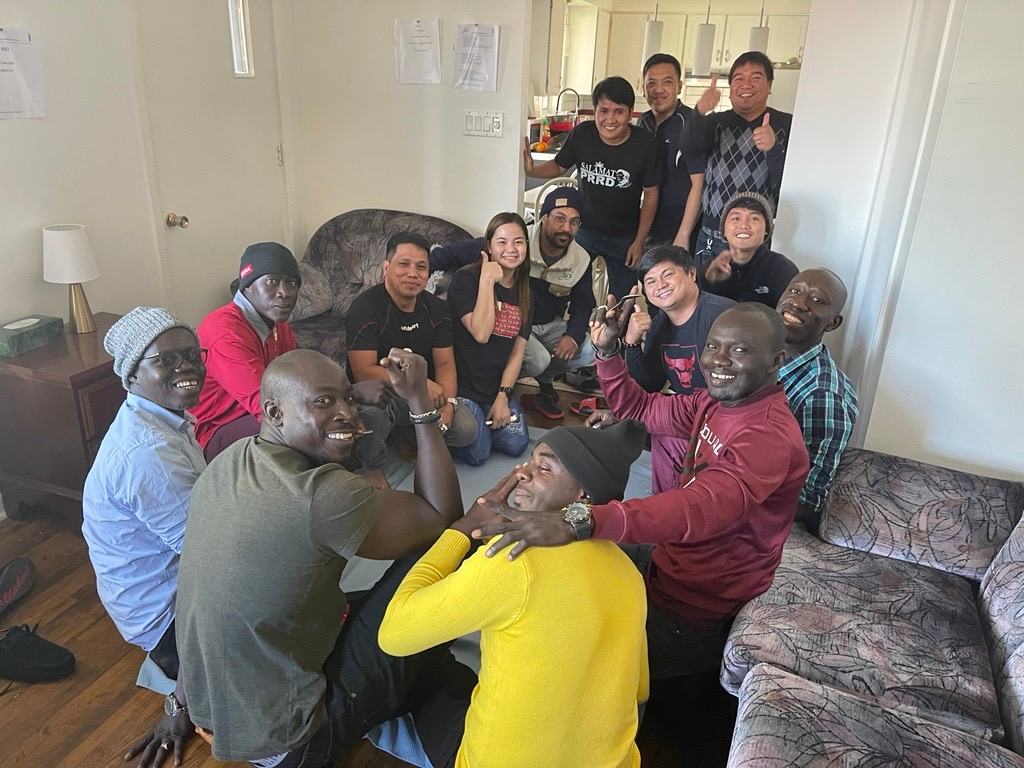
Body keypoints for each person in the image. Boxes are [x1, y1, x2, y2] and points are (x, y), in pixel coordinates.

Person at [127, 348, 476, 768]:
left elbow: (199, 595)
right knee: (453, 551)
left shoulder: (228, 461)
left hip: (214, 716)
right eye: (324, 402)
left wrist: (180, 705)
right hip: (297, 740)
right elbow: (441, 520)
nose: (347, 412)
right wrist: (419, 399)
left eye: (348, 397)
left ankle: (440, 695)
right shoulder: (320, 496)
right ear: (274, 412)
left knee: (394, 619)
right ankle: (473, 741)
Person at [472, 302, 809, 680]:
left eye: (740, 350)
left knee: (582, 667)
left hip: (697, 606)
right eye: (713, 346)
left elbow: (700, 508)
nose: (719, 361)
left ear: (776, 359)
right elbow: (640, 408)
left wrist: (579, 521)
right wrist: (609, 351)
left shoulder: (767, 435)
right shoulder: (716, 401)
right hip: (668, 561)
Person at [379, 418, 649, 768]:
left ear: (585, 495)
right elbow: (639, 690)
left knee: (419, 673)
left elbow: (394, 635)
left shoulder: (514, 558)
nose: (522, 473)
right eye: (529, 462)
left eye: (544, 467)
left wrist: (461, 531)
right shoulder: (630, 572)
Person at [192, 242, 391, 486]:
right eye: (271, 281)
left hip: (274, 412)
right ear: (247, 285)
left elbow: (303, 384)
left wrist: (345, 401)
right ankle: (319, 490)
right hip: (221, 431)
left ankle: (359, 476)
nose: (284, 292)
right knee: (306, 428)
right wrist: (349, 395)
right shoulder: (223, 331)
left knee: (360, 414)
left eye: (292, 283)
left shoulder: (279, 326)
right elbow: (263, 407)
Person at [83, 307, 207, 681]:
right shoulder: (148, 454)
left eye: (191, 354)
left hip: (167, 592)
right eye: (166, 359)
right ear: (133, 373)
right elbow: (208, 552)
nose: (185, 366)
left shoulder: (160, 419)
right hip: (169, 622)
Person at [430, 187, 596, 420]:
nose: (566, 228)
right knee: (538, 359)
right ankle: (509, 381)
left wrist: (574, 335)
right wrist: (414, 277)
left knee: (590, 348)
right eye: (559, 219)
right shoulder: (514, 239)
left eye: (574, 222)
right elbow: (448, 255)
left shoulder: (581, 259)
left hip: (545, 323)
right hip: (508, 322)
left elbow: (583, 305)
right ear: (544, 217)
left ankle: (541, 380)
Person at [524, 77, 662, 303]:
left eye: (618, 112)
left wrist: (639, 241)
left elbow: (651, 195)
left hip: (625, 236)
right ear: (595, 111)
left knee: (623, 300)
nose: (610, 119)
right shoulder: (583, 134)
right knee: (573, 292)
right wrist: (532, 171)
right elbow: (559, 165)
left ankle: (617, 338)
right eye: (604, 110)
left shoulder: (644, 144)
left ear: (630, 113)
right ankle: (576, 334)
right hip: (584, 232)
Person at [346, 231, 478, 447]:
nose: (413, 273)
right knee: (372, 417)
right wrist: (421, 385)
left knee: (466, 430)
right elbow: (363, 372)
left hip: (423, 394)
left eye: (421, 267)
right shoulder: (364, 308)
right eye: (404, 264)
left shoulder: (438, 309)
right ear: (386, 267)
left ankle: (407, 432)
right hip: (384, 393)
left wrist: (449, 404)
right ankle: (376, 466)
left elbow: (445, 363)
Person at [624, 245, 734, 492]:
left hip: (726, 417)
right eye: (650, 281)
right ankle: (669, 504)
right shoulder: (659, 324)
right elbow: (648, 385)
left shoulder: (722, 315)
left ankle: (673, 506)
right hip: (690, 415)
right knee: (640, 423)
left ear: (692, 274)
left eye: (667, 275)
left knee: (667, 430)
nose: (660, 285)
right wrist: (630, 342)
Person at [682, 51, 793, 262]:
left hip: (755, 240)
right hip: (711, 236)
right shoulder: (715, 122)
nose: (746, 84)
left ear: (769, 85)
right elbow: (689, 148)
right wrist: (699, 112)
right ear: (731, 87)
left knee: (750, 296)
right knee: (705, 294)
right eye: (739, 78)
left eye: (756, 78)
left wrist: (773, 149)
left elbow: (791, 185)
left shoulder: (786, 125)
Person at [446, 213, 533, 466]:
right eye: (502, 242)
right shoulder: (465, 280)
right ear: (489, 247)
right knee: (478, 454)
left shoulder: (526, 290)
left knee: (516, 445)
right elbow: (481, 333)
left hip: (494, 387)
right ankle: (455, 425)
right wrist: (487, 281)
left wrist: (503, 396)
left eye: (518, 242)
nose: (511, 249)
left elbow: (518, 352)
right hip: (463, 387)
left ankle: (484, 421)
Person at [777, 268, 859, 533]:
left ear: (833, 323)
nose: (798, 302)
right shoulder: (762, 357)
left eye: (817, 300)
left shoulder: (824, 392)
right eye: (795, 290)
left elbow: (806, 499)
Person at [638, 53, 706, 252]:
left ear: (679, 86)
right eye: (651, 83)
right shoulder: (643, 122)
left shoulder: (691, 124)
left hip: (681, 229)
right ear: (643, 89)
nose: (659, 90)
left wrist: (683, 234)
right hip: (649, 226)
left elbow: (699, 184)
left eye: (667, 82)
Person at [699, 191, 798, 308]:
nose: (744, 225)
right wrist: (710, 282)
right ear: (724, 231)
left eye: (754, 218)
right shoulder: (709, 268)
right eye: (736, 218)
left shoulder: (783, 270)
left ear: (767, 230)